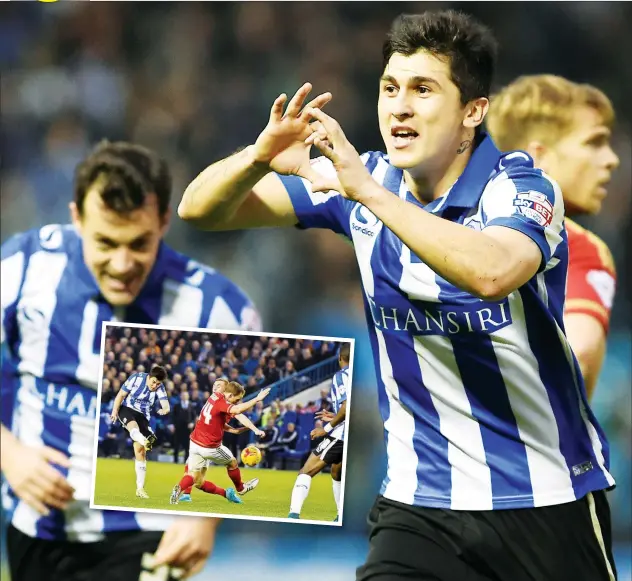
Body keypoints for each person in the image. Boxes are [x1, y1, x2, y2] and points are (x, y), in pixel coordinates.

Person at [177, 10, 617, 581]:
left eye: (423, 89)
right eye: (390, 88)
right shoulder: (365, 182)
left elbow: (493, 271)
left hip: (544, 501)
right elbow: (201, 209)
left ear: (472, 111)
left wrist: (361, 190)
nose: (399, 106)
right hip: (418, 505)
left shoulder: (521, 186)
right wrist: (258, 155)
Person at [0, 140, 262, 581]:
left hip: (147, 538)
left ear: (163, 222)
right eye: (105, 242)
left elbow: (250, 421)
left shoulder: (217, 308)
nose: (122, 264)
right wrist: (9, 455)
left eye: (138, 243)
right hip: (37, 531)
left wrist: (205, 518)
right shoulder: (25, 267)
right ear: (76, 218)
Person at [485, 74, 620, 399]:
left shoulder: (447, 223)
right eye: (594, 142)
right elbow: (580, 357)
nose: (611, 160)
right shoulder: (576, 245)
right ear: (539, 156)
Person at [169, 383, 271, 505]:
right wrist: (256, 399)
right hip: (210, 446)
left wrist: (254, 429)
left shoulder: (215, 397)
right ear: (230, 395)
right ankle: (241, 488)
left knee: (195, 479)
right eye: (236, 399)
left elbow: (232, 416)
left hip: (195, 443)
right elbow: (238, 410)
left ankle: (178, 489)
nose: (237, 402)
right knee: (232, 462)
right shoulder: (222, 403)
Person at [289, 343, 349, 521]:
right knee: (336, 472)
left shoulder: (342, 376)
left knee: (305, 471)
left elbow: (346, 407)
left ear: (340, 358)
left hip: (342, 435)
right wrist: (335, 415)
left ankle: (293, 515)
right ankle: (340, 517)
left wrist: (326, 429)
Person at [110, 365, 170, 498]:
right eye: (153, 382)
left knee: (140, 451)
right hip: (127, 409)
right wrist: (114, 411)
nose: (155, 386)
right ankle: (144, 440)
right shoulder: (136, 378)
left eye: (158, 384)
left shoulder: (160, 387)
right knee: (134, 428)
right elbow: (121, 395)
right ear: (149, 376)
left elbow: (166, 404)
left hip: (143, 416)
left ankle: (140, 489)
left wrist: (165, 409)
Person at [171, 389, 197, 464]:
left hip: (188, 429)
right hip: (178, 428)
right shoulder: (177, 405)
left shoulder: (191, 405)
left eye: (185, 395)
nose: (184, 397)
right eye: (183, 395)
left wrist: (192, 423)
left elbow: (194, 416)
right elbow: (173, 416)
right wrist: (172, 425)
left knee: (187, 446)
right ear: (180, 396)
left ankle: (186, 461)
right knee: (176, 445)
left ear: (188, 397)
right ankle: (175, 460)